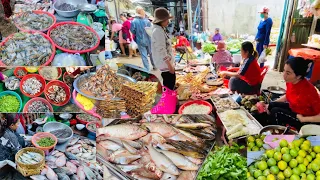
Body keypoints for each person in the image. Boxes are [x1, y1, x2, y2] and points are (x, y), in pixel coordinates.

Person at [268, 57, 320, 130]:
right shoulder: (290, 82)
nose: (284, 75)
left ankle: (277, 134)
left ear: (298, 76)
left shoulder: (309, 91)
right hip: (295, 110)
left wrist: (303, 119)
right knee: (271, 105)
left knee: (276, 111)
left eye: (288, 73)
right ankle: (270, 125)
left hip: (305, 119)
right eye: (284, 71)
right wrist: (272, 102)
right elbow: (289, 95)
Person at [150, 7, 176, 114]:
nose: (168, 22)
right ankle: (168, 108)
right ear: (162, 20)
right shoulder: (157, 31)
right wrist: (170, 65)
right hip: (165, 64)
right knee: (169, 85)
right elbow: (161, 50)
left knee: (169, 84)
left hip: (165, 63)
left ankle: (169, 105)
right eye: (167, 20)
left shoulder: (160, 29)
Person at [130, 6, 155, 71]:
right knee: (151, 53)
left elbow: (133, 31)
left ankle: (147, 69)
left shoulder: (134, 21)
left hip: (140, 40)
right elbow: (151, 30)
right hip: (148, 39)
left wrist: (138, 34)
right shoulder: (147, 21)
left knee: (144, 55)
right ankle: (154, 65)